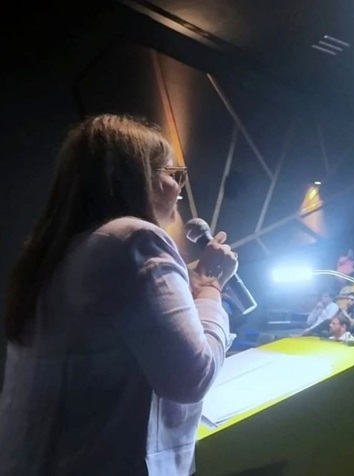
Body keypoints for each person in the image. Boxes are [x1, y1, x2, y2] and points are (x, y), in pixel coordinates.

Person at [0, 115, 238, 475]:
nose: (180, 186)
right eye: (173, 173)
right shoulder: (136, 239)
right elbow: (193, 377)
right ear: (138, 178)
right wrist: (210, 285)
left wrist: (186, 285)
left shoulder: (59, 251)